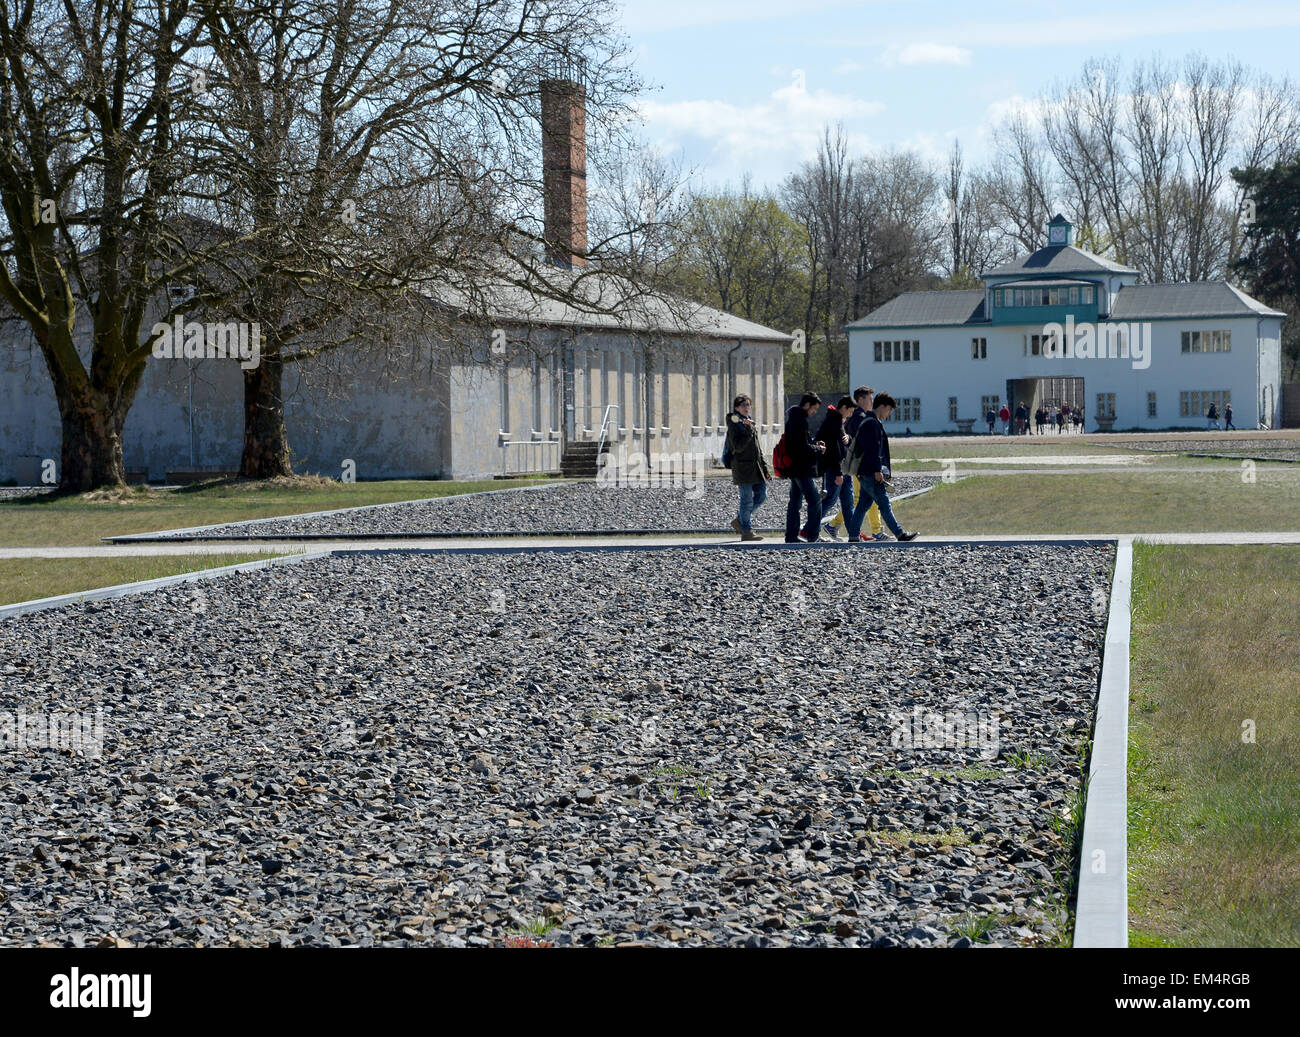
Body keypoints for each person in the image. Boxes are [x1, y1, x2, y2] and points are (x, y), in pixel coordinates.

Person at [846, 392, 918, 543]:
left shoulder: (871, 421)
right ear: (882, 406)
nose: (889, 413)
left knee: (862, 506)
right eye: (889, 409)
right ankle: (900, 534)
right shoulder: (872, 423)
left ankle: (853, 536)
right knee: (884, 504)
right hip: (870, 472)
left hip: (865, 471)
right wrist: (877, 470)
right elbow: (872, 450)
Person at [827, 386, 886, 541]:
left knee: (860, 499)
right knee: (864, 497)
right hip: (859, 465)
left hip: (857, 465)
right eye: (870, 399)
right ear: (861, 399)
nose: (872, 402)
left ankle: (835, 525)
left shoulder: (859, 416)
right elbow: (861, 444)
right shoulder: (859, 417)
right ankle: (876, 531)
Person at [808, 396, 854, 541]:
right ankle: (809, 529)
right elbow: (834, 451)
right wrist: (838, 473)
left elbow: (841, 444)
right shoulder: (833, 422)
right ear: (844, 408)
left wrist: (849, 437)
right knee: (829, 500)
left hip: (842, 469)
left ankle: (854, 534)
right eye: (850, 411)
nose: (851, 414)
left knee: (848, 502)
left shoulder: (837, 421)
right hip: (835, 469)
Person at [725, 394, 770, 542]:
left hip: (756, 467)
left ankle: (740, 520)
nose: (746, 407)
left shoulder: (749, 422)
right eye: (743, 405)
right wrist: (748, 430)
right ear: (736, 407)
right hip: (742, 467)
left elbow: (757, 448)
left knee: (762, 495)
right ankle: (746, 530)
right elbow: (737, 446)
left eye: (748, 404)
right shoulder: (734, 422)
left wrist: (764, 467)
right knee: (746, 500)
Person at [784, 392, 825, 543]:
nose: (814, 412)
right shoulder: (800, 421)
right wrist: (818, 449)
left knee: (795, 502)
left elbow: (799, 443)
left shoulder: (793, 418)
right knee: (815, 500)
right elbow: (801, 447)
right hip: (802, 468)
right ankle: (812, 535)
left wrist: (814, 444)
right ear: (807, 405)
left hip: (794, 468)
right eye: (814, 409)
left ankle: (791, 536)